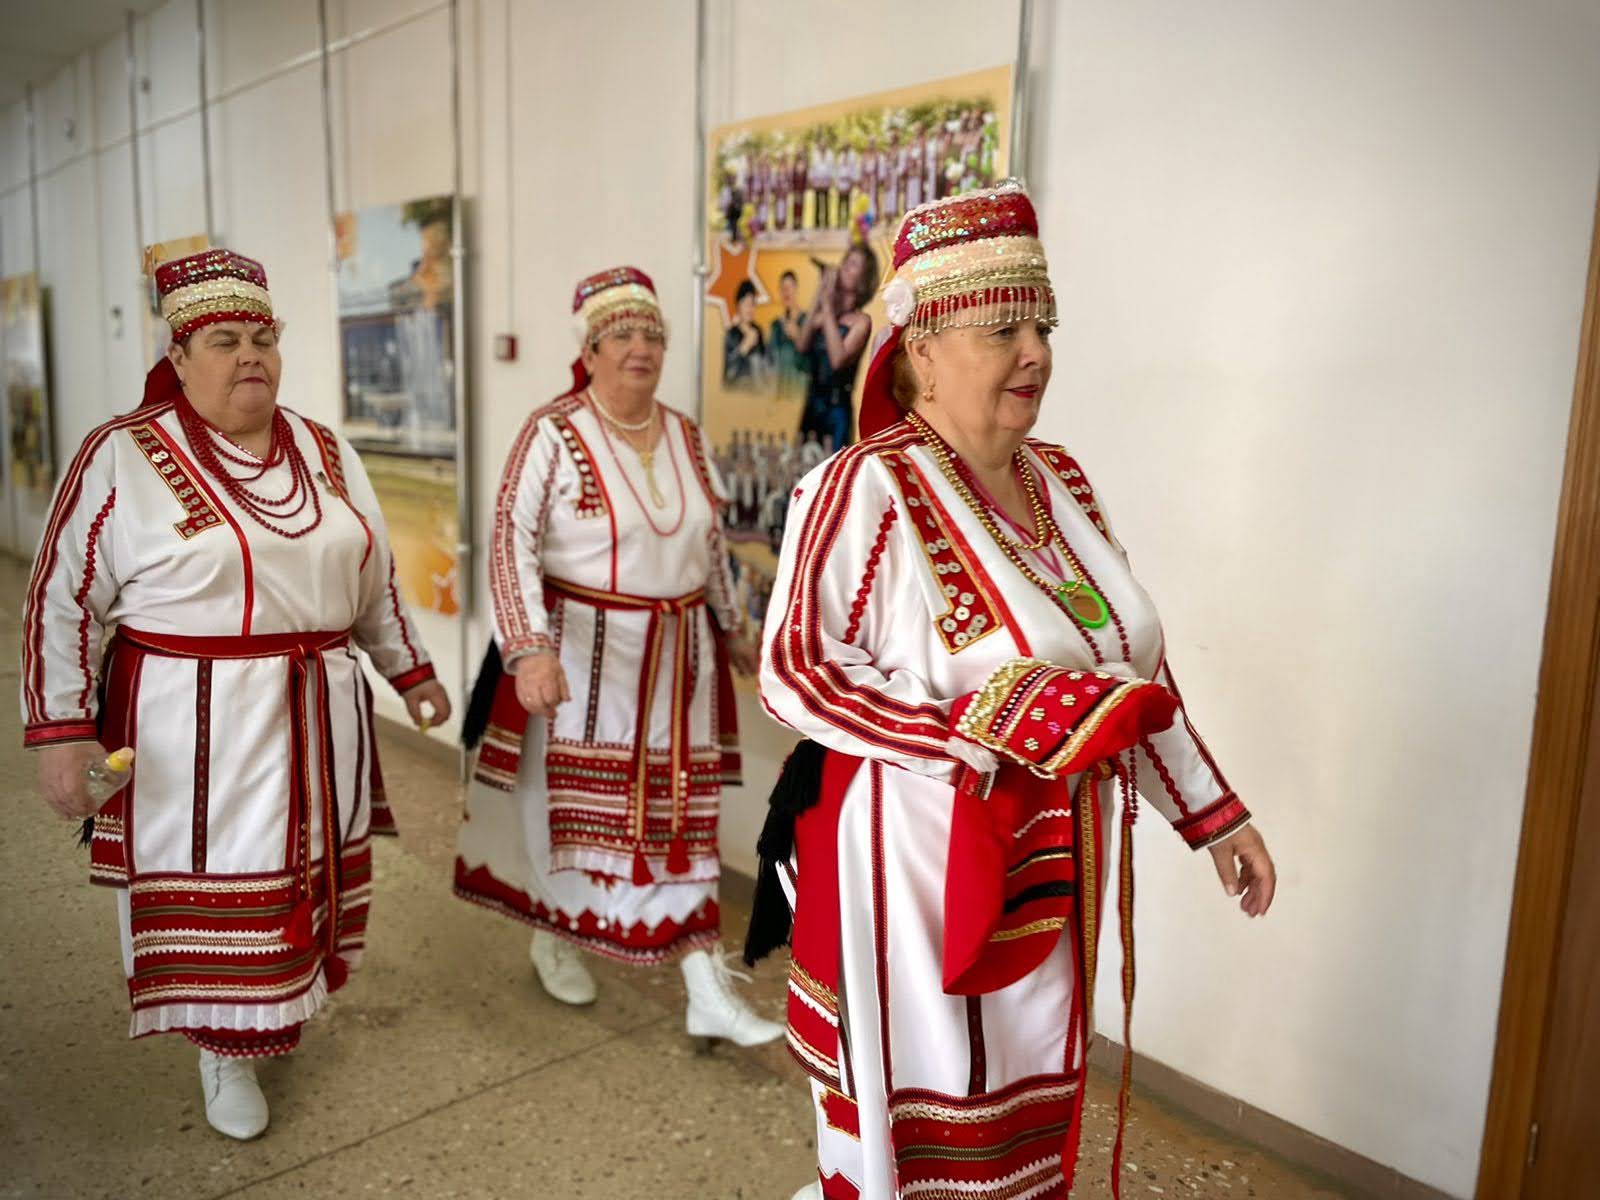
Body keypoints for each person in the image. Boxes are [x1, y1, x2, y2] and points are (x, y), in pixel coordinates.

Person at [752, 184, 1276, 1200]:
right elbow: (795, 672)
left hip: (1056, 849)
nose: (1034, 350)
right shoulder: (863, 486)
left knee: (1027, 1081)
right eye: (1003, 328)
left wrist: (1214, 820)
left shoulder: (1063, 482)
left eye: (1042, 324)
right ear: (922, 349)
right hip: (915, 859)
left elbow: (1134, 666)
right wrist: (966, 732)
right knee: (927, 1093)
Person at [21, 248, 450, 1141]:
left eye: (263, 336)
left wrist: (409, 669)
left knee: (301, 870)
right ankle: (222, 1049)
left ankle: (277, 1009)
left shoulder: (325, 450)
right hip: (191, 726)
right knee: (227, 878)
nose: (250, 353)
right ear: (178, 355)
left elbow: (373, 573)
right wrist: (61, 731)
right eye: (224, 338)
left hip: (316, 707)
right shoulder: (121, 455)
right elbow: (60, 595)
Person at [455, 266, 781, 1046]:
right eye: (623, 336)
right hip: (584, 662)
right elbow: (509, 542)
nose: (641, 349)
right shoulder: (552, 431)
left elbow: (709, 545)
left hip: (679, 663)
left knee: (677, 821)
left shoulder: (683, 433)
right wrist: (528, 650)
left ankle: (705, 985)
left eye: (653, 336)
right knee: (581, 821)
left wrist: (735, 625)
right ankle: (558, 932)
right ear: (592, 350)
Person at [795, 245, 877, 450]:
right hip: (812, 404)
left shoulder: (861, 322)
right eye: (846, 261)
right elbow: (802, 344)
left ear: (864, 278)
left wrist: (827, 305)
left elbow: (837, 360)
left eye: (854, 264)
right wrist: (820, 293)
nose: (845, 267)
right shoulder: (827, 313)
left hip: (836, 411)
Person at [768, 270, 807, 400]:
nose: (786, 292)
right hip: (780, 395)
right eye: (782, 288)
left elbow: (814, 362)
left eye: (789, 287)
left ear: (796, 289)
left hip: (800, 395)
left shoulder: (808, 321)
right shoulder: (775, 326)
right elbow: (770, 363)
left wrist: (798, 337)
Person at [723, 280, 768, 389]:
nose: (750, 309)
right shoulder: (731, 334)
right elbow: (727, 376)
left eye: (752, 304)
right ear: (738, 305)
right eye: (746, 304)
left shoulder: (759, 331)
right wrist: (744, 347)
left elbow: (767, 369)